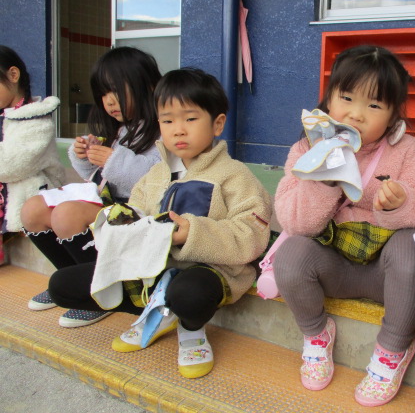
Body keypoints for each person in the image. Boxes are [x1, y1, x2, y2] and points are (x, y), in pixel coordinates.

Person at [47, 68, 272, 379]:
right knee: (62, 286)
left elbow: (253, 235)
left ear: (217, 123)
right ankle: (155, 310)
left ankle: (191, 328)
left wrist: (192, 233)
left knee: (188, 293)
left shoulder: (235, 175)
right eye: (167, 121)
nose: (178, 130)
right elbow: (135, 213)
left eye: (190, 119)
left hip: (209, 272)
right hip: (152, 270)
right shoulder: (154, 174)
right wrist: (119, 223)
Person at [273, 45, 415, 406]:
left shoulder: (406, 149)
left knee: (412, 247)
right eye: (346, 98)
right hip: (333, 266)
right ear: (329, 98)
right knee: (291, 255)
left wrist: (400, 203)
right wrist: (324, 180)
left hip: (386, 274)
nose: (356, 114)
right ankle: (316, 335)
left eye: (374, 105)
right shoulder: (305, 149)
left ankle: (393, 349)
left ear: (393, 117)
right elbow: (296, 222)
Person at [20, 46, 162, 327]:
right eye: (103, 93)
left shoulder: (164, 126)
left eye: (116, 90)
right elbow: (100, 177)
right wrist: (86, 157)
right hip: (111, 202)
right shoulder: (120, 128)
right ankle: (74, 282)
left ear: (148, 85)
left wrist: (112, 160)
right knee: (32, 209)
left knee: (67, 214)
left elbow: (158, 180)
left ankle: (101, 291)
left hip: (140, 210)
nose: (109, 101)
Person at [0, 45, 65, 260]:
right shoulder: (4, 114)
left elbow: (10, 165)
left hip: (33, 200)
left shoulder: (37, 118)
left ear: (13, 75)